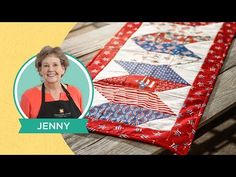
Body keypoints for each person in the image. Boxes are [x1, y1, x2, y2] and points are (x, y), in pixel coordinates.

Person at [20, 46, 83, 118]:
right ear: (40, 70)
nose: (50, 69)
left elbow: (82, 126)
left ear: (63, 69)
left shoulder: (75, 92)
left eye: (55, 65)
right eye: (46, 65)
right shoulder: (28, 96)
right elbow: (22, 128)